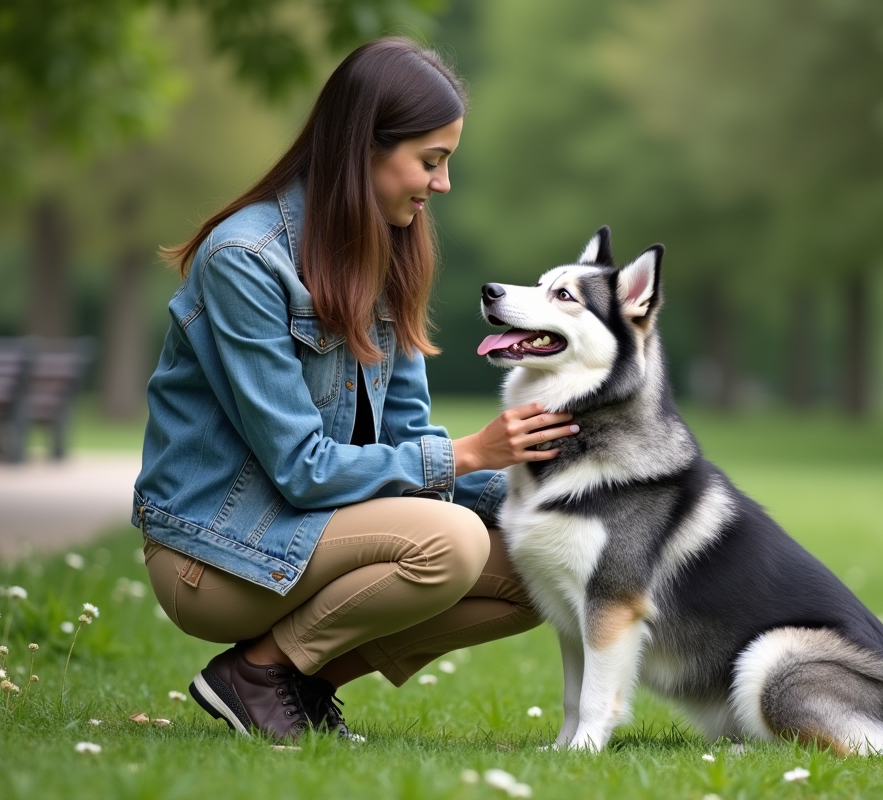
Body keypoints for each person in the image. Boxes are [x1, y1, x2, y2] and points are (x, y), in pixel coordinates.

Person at [132, 37, 578, 741]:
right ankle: (256, 674)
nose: (442, 184)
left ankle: (289, 683)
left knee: (543, 557)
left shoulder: (387, 247)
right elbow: (302, 470)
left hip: (308, 536)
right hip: (215, 552)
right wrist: (469, 455)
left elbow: (404, 434)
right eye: (430, 162)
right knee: (453, 543)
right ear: (363, 148)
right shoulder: (244, 261)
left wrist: (548, 495)